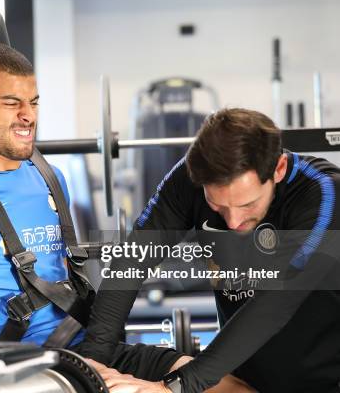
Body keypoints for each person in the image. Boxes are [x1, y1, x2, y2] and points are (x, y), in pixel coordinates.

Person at [0, 42, 249, 392]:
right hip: (23, 369)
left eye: (33, 102)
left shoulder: (47, 176)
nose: (28, 115)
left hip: (88, 351)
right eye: (11, 103)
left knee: (230, 387)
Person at [79, 108, 340, 392]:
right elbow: (133, 260)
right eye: (218, 206)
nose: (233, 221)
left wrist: (177, 387)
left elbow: (277, 303)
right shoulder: (187, 178)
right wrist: (92, 363)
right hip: (246, 374)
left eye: (247, 205)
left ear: (277, 169)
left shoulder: (324, 194)